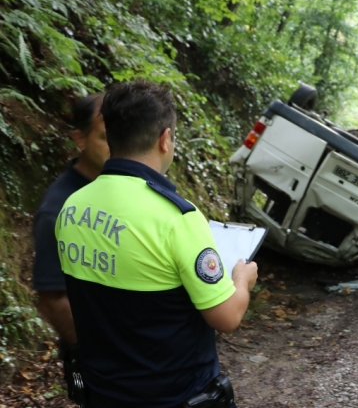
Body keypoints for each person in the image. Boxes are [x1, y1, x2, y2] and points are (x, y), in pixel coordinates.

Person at [56, 79, 258, 407]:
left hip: (104, 395)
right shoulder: (177, 219)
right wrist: (242, 280)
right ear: (165, 140)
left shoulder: (72, 207)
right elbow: (227, 317)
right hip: (174, 396)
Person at [32, 93, 107, 352]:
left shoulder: (127, 186)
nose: (118, 146)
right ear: (80, 139)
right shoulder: (58, 210)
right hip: (94, 363)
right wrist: (101, 351)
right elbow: (53, 298)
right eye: (106, 137)